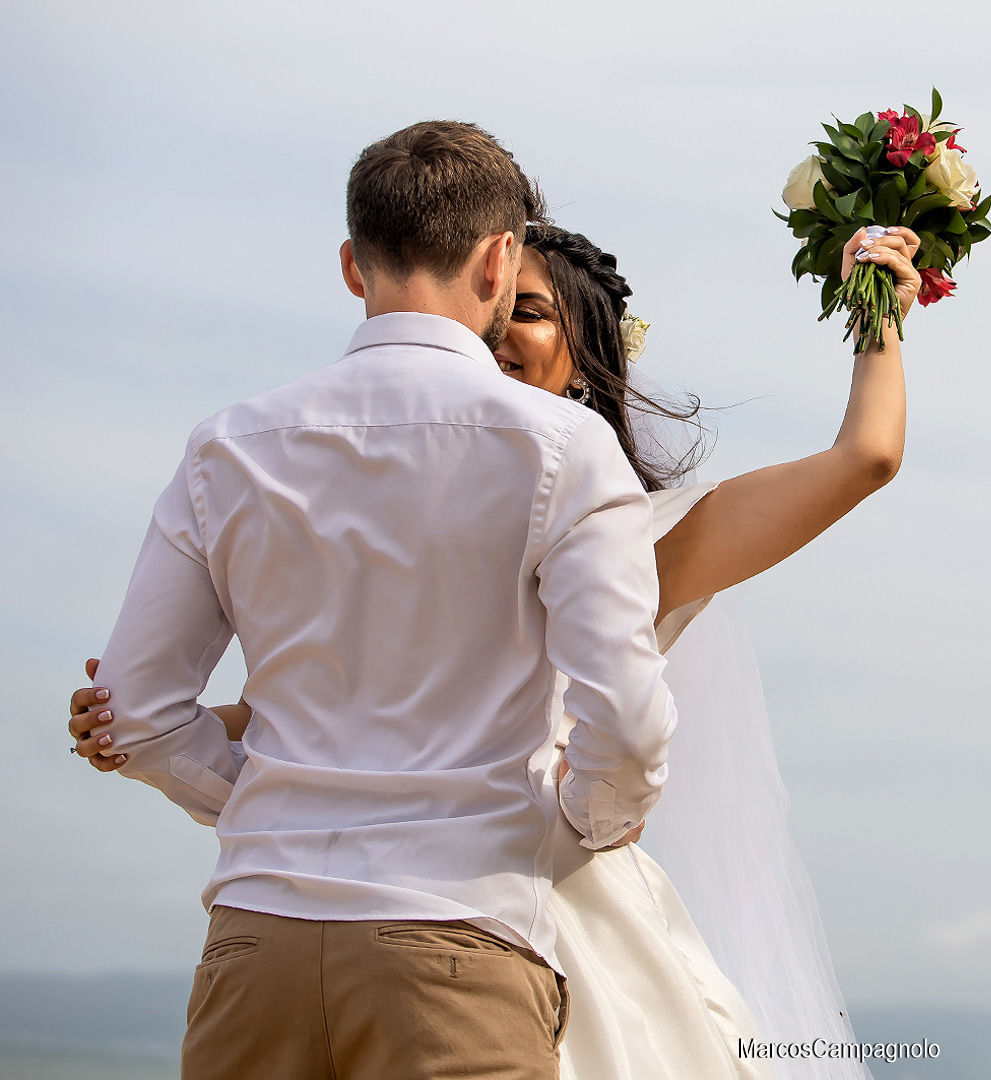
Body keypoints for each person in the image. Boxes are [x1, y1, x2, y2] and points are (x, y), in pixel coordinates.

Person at [70, 212, 922, 1079]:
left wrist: (878, 301)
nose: (501, 329)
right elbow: (310, 710)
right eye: (499, 306)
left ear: (588, 360)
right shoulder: (406, 512)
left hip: (537, 910)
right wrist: (142, 723)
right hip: (408, 929)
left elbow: (866, 456)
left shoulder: (646, 541)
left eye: (534, 311)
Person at [67, 119, 667, 1079]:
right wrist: (575, 826)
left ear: (353, 265)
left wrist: (270, 805)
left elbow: (135, 714)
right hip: (456, 946)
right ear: (502, 260)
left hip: (254, 945)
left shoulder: (228, 445)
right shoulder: (561, 447)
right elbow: (626, 719)